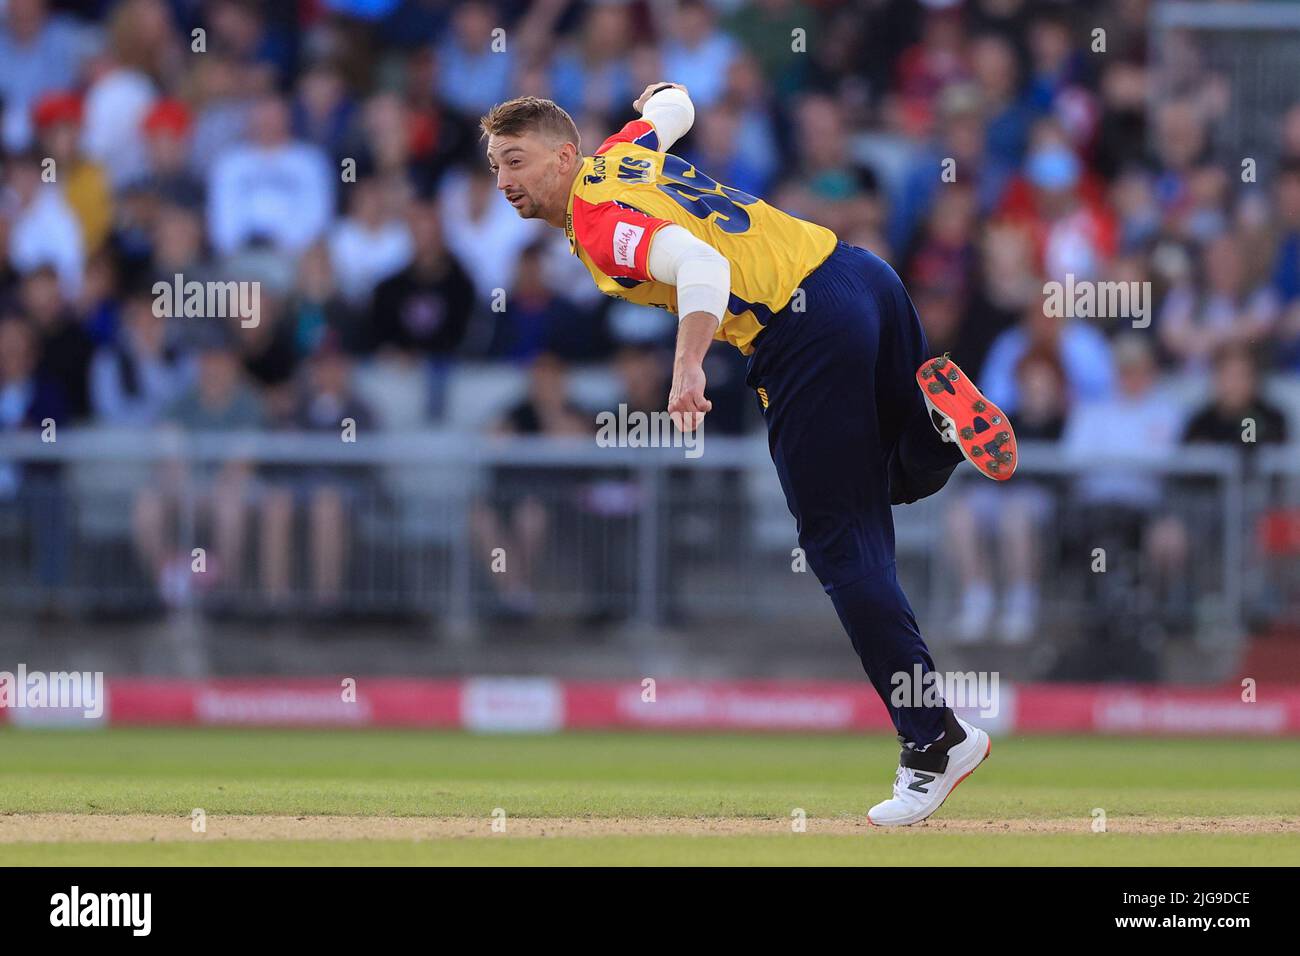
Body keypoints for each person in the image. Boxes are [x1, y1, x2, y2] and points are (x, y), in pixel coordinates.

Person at [479, 83, 1023, 826]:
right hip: (861, 275)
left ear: (564, 156)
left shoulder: (600, 220)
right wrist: (661, 92)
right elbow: (674, 106)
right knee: (889, 483)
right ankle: (937, 428)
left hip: (802, 331)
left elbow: (703, 268)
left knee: (841, 548)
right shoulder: (620, 154)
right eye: (494, 168)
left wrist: (688, 364)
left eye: (517, 161)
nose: (504, 181)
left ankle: (934, 741)